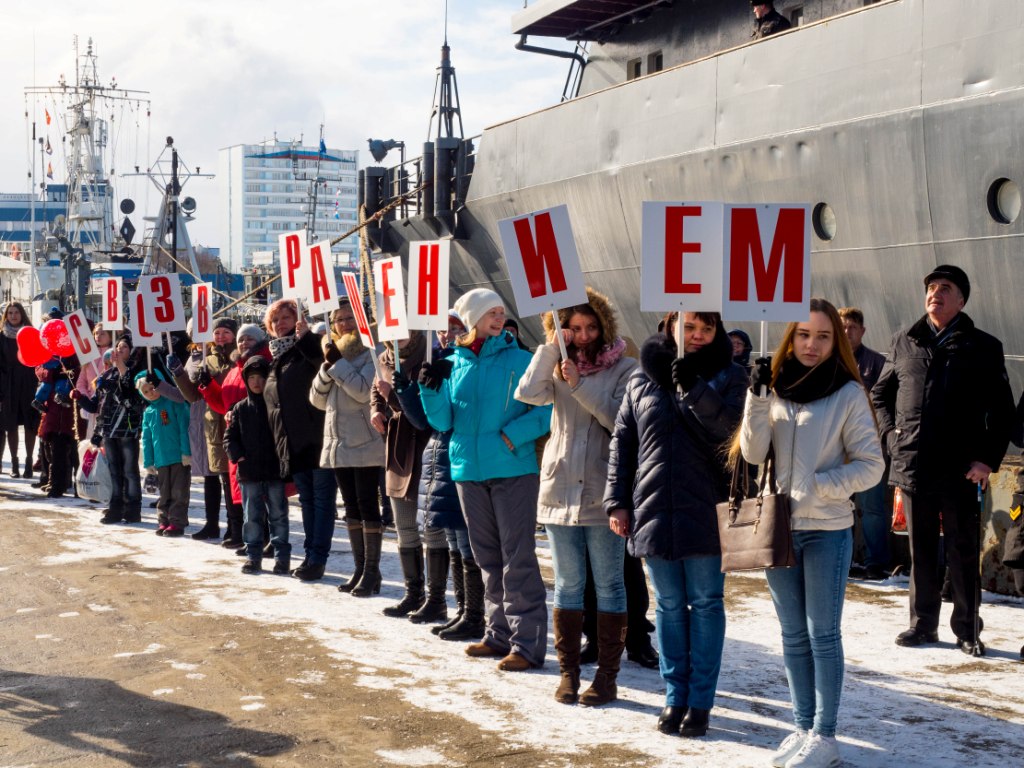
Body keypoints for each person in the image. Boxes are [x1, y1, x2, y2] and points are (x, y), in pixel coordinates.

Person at [740, 298, 884, 768]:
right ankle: (802, 728)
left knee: (822, 634)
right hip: (779, 529)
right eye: (804, 335)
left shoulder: (847, 393)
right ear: (790, 337)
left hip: (826, 529)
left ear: (835, 341)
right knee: (791, 635)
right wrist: (757, 398)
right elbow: (752, 451)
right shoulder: (774, 387)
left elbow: (871, 466)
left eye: (823, 336)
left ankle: (826, 735)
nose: (812, 344)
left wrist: (821, 486)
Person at [606, 311, 746, 736]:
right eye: (689, 327)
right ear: (670, 326)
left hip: (707, 506)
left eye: (707, 328)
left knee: (705, 603)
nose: (698, 336)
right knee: (668, 606)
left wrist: (695, 388)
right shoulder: (640, 378)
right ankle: (674, 696)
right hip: (652, 506)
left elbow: (733, 434)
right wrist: (616, 501)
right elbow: (622, 443)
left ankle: (700, 702)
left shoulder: (731, 376)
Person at [872, 266, 1013, 655]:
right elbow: (881, 394)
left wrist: (986, 460)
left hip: (960, 469)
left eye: (945, 288)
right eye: (931, 287)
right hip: (914, 464)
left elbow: (1002, 412)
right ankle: (922, 625)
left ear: (961, 300)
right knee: (921, 551)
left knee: (962, 551)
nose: (935, 293)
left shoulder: (983, 346)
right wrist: (889, 435)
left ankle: (967, 629)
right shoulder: (904, 341)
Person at [419, 288, 552, 672]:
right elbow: (443, 422)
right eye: (490, 313)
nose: (498, 318)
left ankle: (527, 645)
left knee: (518, 559)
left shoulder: (522, 360)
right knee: (487, 559)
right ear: (471, 319)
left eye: (500, 311)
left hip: (512, 470)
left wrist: (514, 436)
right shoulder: (453, 364)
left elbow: (549, 409)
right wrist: (429, 389)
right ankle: (498, 635)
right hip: (467, 472)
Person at [517, 288, 636, 706]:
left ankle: (607, 676)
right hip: (558, 486)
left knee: (609, 583)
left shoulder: (626, 368)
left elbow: (617, 419)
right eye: (573, 327)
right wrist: (551, 348)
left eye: (590, 327)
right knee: (568, 583)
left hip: (604, 490)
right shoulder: (557, 360)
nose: (583, 336)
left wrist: (579, 385)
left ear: (604, 326)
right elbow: (527, 393)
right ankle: (568, 673)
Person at [395, 310, 485, 640]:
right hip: (441, 457)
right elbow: (425, 420)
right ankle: (463, 609)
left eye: (456, 328)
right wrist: (407, 391)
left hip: (460, 457)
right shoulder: (440, 361)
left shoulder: (464, 363)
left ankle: (474, 614)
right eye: (444, 330)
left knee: (468, 543)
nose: (448, 335)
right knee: (455, 540)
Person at [309, 302, 384, 596]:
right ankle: (359, 567)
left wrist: (337, 365)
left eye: (349, 318)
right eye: (338, 319)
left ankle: (372, 571)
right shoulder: (333, 353)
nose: (343, 324)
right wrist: (327, 370)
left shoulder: (371, 352)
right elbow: (316, 399)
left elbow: (364, 392)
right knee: (350, 507)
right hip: (338, 442)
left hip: (364, 441)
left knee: (367, 505)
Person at [263, 299, 336, 581]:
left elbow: (324, 363)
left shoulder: (311, 344)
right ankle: (310, 555)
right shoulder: (277, 357)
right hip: (292, 442)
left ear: (298, 319)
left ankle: (317, 558)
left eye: (286, 316)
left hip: (317, 437)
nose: (281, 322)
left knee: (321, 500)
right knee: (307, 501)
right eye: (276, 319)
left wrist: (305, 338)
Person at [183, 323, 273, 542]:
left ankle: (264, 536)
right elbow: (220, 401)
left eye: (247, 339)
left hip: (256, 433)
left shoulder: (252, 363)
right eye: (217, 333)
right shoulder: (228, 365)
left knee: (261, 488)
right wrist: (203, 384)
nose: (222, 337)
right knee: (231, 481)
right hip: (224, 430)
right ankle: (239, 531)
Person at [372, 332, 438, 620]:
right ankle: (413, 594)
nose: (398, 336)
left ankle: (436, 598)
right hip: (398, 448)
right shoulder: (384, 358)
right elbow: (377, 388)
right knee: (405, 525)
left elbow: (424, 414)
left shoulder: (430, 357)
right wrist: (376, 408)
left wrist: (394, 398)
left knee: (433, 529)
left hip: (425, 447)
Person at [167, 317, 240, 546]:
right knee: (216, 476)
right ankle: (215, 524)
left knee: (233, 479)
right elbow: (192, 395)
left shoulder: (239, 356)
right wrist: (178, 372)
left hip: (236, 422)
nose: (220, 337)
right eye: (217, 332)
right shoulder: (206, 359)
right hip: (212, 424)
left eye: (225, 332)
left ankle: (236, 526)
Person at [225, 356, 290, 575]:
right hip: (249, 472)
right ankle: (253, 556)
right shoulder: (240, 408)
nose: (256, 383)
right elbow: (229, 438)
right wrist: (239, 457)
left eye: (261, 377)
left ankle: (282, 557)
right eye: (251, 378)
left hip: (274, 470)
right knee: (251, 516)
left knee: (278, 515)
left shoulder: (278, 406)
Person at [838, 307, 890, 580]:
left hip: (868, 447)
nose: (847, 332)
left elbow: (886, 405)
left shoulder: (877, 364)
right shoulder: (828, 359)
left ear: (863, 331)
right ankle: (839, 559)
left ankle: (875, 562)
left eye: (853, 327)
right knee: (836, 506)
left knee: (872, 509)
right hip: (834, 448)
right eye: (843, 327)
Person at [79, 336, 146, 524]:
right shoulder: (106, 375)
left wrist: (120, 366)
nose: (119, 349)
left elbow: (129, 391)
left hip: (127, 429)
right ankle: (116, 507)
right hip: (109, 430)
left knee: (130, 471)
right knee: (114, 470)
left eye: (124, 347)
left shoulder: (136, 372)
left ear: (131, 351)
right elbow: (98, 406)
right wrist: (80, 397)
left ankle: (133, 508)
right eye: (117, 346)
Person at [138, 369, 192, 536]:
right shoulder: (149, 412)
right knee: (164, 493)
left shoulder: (174, 403)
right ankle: (163, 520)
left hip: (178, 456)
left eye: (152, 388)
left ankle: (177, 521)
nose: (150, 393)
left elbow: (184, 427)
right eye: (145, 392)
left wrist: (186, 452)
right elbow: (146, 439)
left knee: (179, 491)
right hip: (161, 459)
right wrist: (148, 462)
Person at [0, 301, 41, 478]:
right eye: (10, 313)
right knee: (10, 425)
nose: (13, 316)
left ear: (22, 314)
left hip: (28, 383)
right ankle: (15, 464)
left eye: (16, 312)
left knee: (30, 424)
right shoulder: (1, 336)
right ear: (6, 316)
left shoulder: (31, 334)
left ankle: (29, 463)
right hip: (7, 385)